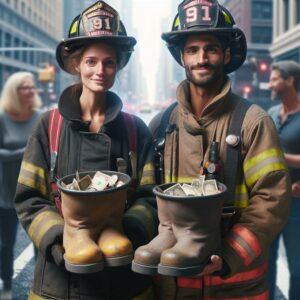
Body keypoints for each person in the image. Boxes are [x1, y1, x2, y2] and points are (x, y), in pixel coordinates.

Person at [140, 0, 291, 299]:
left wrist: (229, 256)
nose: (201, 58)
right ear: (181, 57)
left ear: (225, 54)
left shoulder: (253, 122)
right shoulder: (160, 125)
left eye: (210, 48)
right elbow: (146, 198)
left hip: (235, 287)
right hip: (173, 288)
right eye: (192, 50)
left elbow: (272, 200)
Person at [14, 1, 157, 300]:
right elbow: (29, 199)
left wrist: (125, 233)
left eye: (109, 62)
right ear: (76, 64)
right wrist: (59, 242)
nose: (100, 70)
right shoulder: (48, 126)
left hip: (124, 284)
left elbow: (150, 197)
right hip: (57, 285)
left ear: (118, 66)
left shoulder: (135, 131)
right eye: (91, 61)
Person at [0, 71, 42, 300]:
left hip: (35, 190)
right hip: (6, 191)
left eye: (32, 86)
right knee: (7, 243)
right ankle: (6, 282)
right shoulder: (2, 119)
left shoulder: (39, 117)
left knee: (40, 241)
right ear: (14, 92)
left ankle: (40, 283)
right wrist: (24, 151)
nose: (31, 90)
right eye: (25, 87)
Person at [267, 60, 300, 300]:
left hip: (296, 204)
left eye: (275, 79)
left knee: (297, 267)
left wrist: (278, 157)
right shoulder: (270, 114)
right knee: (266, 262)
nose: (270, 84)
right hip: (269, 203)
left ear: (290, 81)